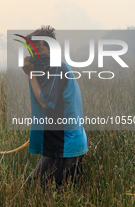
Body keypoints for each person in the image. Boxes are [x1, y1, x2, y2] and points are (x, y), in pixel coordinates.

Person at [22, 25, 88, 189]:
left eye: (39, 49)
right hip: (62, 142)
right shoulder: (49, 68)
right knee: (46, 191)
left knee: (36, 190)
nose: (35, 55)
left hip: (65, 143)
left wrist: (30, 74)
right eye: (32, 50)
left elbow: (46, 102)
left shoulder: (56, 67)